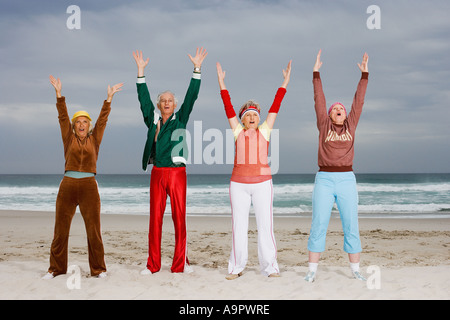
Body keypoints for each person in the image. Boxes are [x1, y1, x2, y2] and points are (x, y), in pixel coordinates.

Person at [133, 48, 208, 274]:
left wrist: (196, 69)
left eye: (170, 100)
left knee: (179, 219)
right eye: (163, 100)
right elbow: (143, 100)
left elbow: (192, 96)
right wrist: (140, 72)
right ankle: (153, 265)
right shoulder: (152, 120)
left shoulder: (180, 118)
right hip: (157, 172)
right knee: (154, 220)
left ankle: (180, 264)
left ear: (175, 105)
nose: (166, 103)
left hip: (177, 174)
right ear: (159, 105)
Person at [216, 60, 291, 279]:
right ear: (242, 119)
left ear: (259, 118)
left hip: (262, 185)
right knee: (238, 227)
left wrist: (285, 82)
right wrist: (222, 83)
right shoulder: (237, 131)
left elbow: (276, 104)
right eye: (247, 115)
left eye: (254, 115)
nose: (251, 117)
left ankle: (270, 268)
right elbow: (227, 106)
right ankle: (236, 267)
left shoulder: (265, 131)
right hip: (238, 184)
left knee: (265, 226)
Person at [43, 75, 123, 279]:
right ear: (73, 125)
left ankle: (98, 269)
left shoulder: (94, 140)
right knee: (60, 231)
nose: (81, 125)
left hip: (89, 186)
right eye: (78, 122)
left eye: (84, 122)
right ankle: (56, 269)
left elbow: (103, 121)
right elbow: (62, 117)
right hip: (67, 185)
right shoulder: (68, 138)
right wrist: (59, 95)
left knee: (93, 231)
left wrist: (109, 99)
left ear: (89, 125)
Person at [305, 50, 369, 282]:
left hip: (346, 180)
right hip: (324, 179)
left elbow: (358, 102)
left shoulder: (351, 125)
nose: (338, 110)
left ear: (345, 114)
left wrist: (364, 76)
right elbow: (319, 99)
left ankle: (355, 271)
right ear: (330, 114)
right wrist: (316, 73)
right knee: (319, 223)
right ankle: (312, 271)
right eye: (334, 109)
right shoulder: (324, 125)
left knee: (351, 224)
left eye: (340, 109)